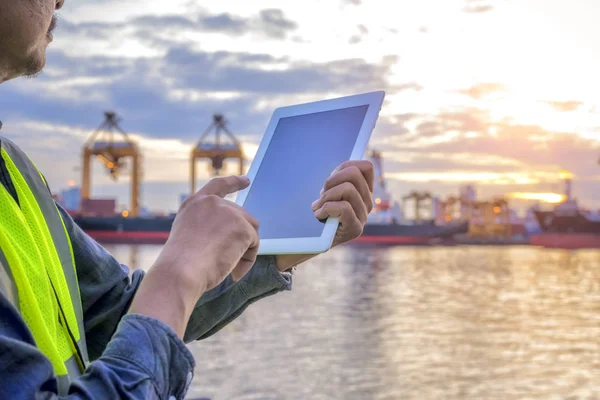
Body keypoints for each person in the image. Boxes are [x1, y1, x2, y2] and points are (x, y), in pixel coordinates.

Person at [0, 0, 376, 398]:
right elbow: (159, 301)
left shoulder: (16, 170)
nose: (60, 1)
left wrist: (294, 238)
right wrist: (178, 272)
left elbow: (120, 317)